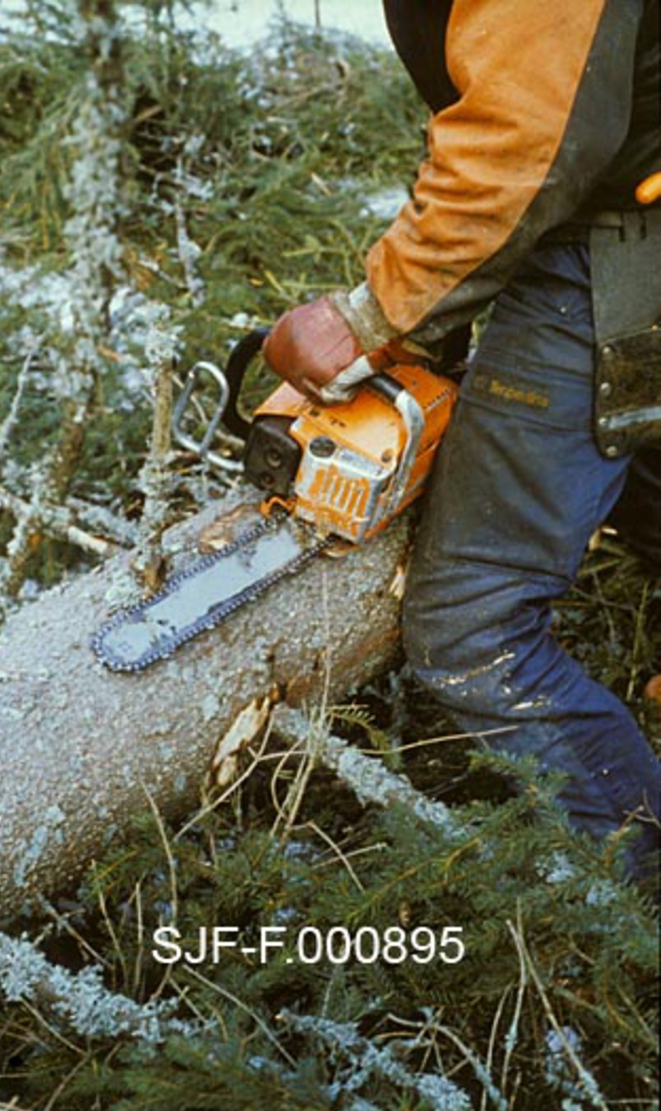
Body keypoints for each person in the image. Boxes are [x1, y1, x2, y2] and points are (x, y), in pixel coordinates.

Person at [262, 0, 661, 881]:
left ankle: (637, 891)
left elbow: (528, 138)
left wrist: (373, 314)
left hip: (630, 238)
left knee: (471, 621)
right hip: (624, 191)